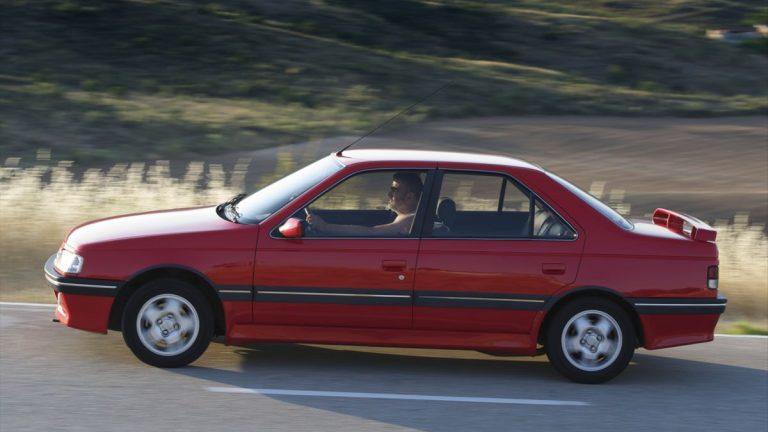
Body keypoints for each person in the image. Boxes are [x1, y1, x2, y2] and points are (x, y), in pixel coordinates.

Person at [305, 172, 423, 236]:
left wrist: (325, 227)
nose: (389, 194)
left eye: (394, 190)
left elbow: (372, 232)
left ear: (409, 196)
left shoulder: (410, 219)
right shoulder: (409, 216)